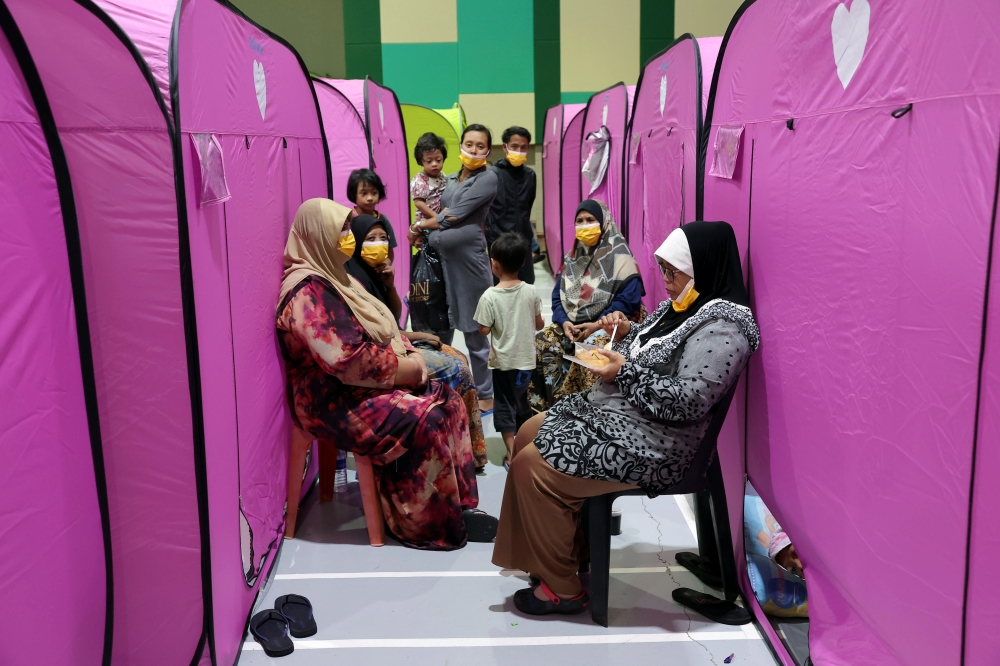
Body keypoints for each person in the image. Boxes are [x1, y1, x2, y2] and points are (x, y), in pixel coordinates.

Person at [492, 221, 760, 614]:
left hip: (658, 442)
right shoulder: (684, 306)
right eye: (663, 270)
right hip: (628, 417)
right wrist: (627, 329)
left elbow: (691, 400)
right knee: (529, 432)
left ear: (703, 268)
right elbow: (655, 346)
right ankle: (565, 553)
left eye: (673, 272)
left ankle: (564, 589)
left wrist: (624, 372)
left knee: (533, 466)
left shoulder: (725, 328)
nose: (665, 280)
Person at [276, 199, 498, 549]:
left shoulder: (338, 278)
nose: (348, 237)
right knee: (427, 416)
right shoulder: (306, 293)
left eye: (348, 229)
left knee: (449, 401)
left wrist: (411, 357)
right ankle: (424, 524)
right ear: (317, 235)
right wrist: (408, 370)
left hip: (356, 387)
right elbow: (347, 361)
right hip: (327, 399)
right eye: (341, 230)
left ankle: (458, 507)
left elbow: (386, 327)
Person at [345, 213, 488, 470]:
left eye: (383, 238)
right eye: (370, 239)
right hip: (385, 353)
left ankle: (465, 453)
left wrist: (389, 284)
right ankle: (452, 455)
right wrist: (418, 336)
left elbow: (394, 318)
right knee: (457, 368)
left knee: (458, 356)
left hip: (397, 341)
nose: (379, 244)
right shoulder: (353, 279)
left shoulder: (375, 273)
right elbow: (381, 333)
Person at [408, 124, 498, 413]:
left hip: (469, 266)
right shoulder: (448, 179)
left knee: (475, 333)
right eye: (469, 144)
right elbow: (436, 210)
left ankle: (485, 394)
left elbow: (454, 216)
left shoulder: (488, 178)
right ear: (460, 146)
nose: (473, 150)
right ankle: (443, 388)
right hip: (440, 265)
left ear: (488, 150)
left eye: (480, 146)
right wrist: (425, 231)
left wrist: (418, 226)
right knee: (439, 328)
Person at [528, 199, 644, 411]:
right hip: (573, 326)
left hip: (609, 326)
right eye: (579, 221)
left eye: (590, 219)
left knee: (591, 350)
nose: (584, 225)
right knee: (543, 341)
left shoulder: (621, 259)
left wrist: (596, 325)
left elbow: (628, 301)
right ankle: (552, 411)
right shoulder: (573, 259)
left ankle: (586, 413)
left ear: (604, 222)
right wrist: (564, 322)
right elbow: (558, 297)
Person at [474, 233, 543, 467]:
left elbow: (483, 330)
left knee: (504, 405)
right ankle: (526, 449)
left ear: (494, 264)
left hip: (503, 363)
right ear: (523, 262)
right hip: (527, 361)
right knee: (524, 403)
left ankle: (511, 453)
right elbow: (539, 324)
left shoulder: (489, 296)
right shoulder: (531, 291)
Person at [485, 126, 536, 284]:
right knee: (500, 287)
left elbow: (528, 206)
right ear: (504, 147)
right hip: (499, 243)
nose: (519, 151)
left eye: (523, 147)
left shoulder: (530, 175)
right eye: (514, 146)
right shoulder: (492, 175)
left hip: (523, 242)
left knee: (526, 284)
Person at [348, 168, 397, 260]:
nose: (370, 198)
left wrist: (385, 265)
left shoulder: (383, 220)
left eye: (374, 193)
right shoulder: (347, 219)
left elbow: (389, 252)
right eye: (364, 193)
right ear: (354, 194)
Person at [409, 132, 448, 246]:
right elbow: (419, 203)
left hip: (439, 221)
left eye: (438, 160)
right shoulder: (419, 180)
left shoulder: (443, 176)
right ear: (421, 161)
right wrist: (436, 217)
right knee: (425, 246)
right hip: (425, 221)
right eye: (429, 161)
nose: (434, 164)